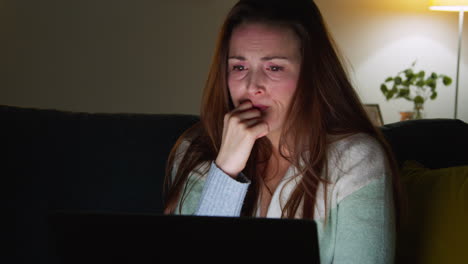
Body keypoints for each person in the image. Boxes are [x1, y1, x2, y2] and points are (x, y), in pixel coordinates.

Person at [163, 0, 401, 263]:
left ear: (312, 74)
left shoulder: (356, 159)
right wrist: (226, 170)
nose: (253, 86)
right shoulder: (195, 150)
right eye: (239, 67)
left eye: (274, 68)